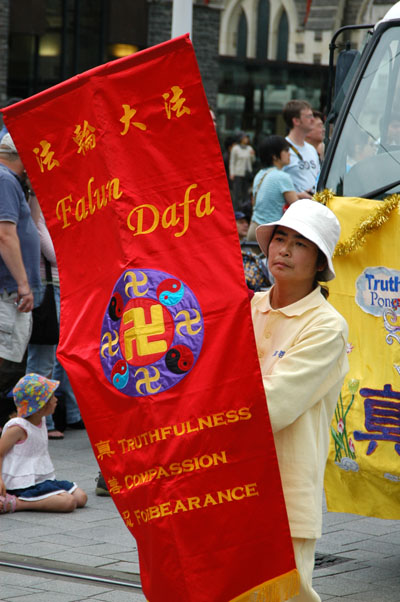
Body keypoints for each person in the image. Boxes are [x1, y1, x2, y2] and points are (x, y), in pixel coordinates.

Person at [251, 199, 349, 601]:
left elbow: (272, 407)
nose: (284, 250)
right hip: (226, 484)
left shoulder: (327, 327)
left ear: (320, 262)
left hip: (285, 494)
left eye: (300, 244)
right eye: (280, 238)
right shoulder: (246, 309)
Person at [25, 205, 85, 439]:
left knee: (57, 356)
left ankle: (64, 414)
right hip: (46, 291)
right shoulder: (35, 214)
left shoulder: (44, 214)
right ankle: (41, 421)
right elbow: (53, 253)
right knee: (42, 358)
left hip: (57, 290)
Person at [0, 373, 87, 513]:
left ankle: (35, 497)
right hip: (22, 484)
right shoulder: (17, 427)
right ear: (40, 405)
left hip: (41, 479)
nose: (56, 400)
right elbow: (0, 453)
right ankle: (16, 503)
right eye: (52, 397)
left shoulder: (41, 420)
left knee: (81, 498)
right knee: (68, 502)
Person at [0, 134, 40, 366]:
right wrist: (23, 285)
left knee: (10, 367)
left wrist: (33, 192)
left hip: (12, 293)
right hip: (8, 293)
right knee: (4, 368)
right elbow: (5, 236)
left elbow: (30, 229)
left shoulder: (11, 182)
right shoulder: (4, 180)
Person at [247, 136, 309, 242]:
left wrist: (298, 195)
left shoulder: (260, 174)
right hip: (270, 233)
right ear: (275, 156)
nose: (290, 154)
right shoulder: (282, 177)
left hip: (254, 230)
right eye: (286, 151)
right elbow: (297, 207)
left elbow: (268, 197)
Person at [282, 100, 320, 195]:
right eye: (309, 116)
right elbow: (276, 184)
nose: (313, 119)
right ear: (296, 121)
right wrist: (298, 196)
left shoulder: (311, 149)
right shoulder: (283, 148)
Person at [229, 132, 255, 210]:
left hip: (247, 173)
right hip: (238, 173)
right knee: (237, 193)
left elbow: (252, 161)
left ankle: (245, 209)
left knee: (246, 192)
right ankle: (236, 209)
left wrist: (252, 155)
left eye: (247, 138)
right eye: (244, 138)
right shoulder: (235, 148)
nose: (246, 139)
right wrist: (232, 173)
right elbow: (232, 161)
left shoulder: (250, 148)